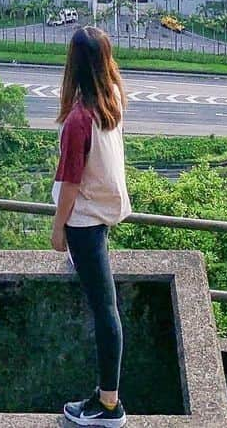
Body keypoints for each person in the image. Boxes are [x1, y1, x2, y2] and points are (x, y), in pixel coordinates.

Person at [52, 26, 132, 426]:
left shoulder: (78, 120)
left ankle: (108, 405)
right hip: (102, 212)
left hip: (84, 221)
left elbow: (69, 184)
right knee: (105, 302)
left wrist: (57, 229)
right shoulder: (112, 98)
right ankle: (107, 401)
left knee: (105, 309)